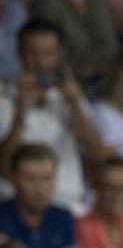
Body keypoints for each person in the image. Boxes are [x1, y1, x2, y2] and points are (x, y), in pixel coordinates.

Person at [0, 19, 106, 213]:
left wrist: (74, 103)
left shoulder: (70, 96)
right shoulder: (3, 99)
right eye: (33, 53)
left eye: (48, 54)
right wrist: (20, 115)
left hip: (69, 203)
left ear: (59, 55)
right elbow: (4, 167)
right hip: (16, 208)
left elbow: (98, 154)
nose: (41, 62)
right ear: (19, 54)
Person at [0, 142, 76, 248]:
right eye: (30, 179)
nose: (40, 188)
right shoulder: (2, 216)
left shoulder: (63, 217)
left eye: (47, 178)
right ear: (13, 179)